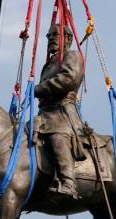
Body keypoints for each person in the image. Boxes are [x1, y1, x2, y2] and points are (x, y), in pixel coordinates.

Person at [35, 24, 86, 199]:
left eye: (55, 34)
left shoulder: (72, 55)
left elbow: (68, 79)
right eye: (49, 35)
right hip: (44, 114)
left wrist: (38, 89)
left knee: (57, 137)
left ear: (68, 39)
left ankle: (68, 182)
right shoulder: (48, 65)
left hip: (62, 113)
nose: (51, 38)